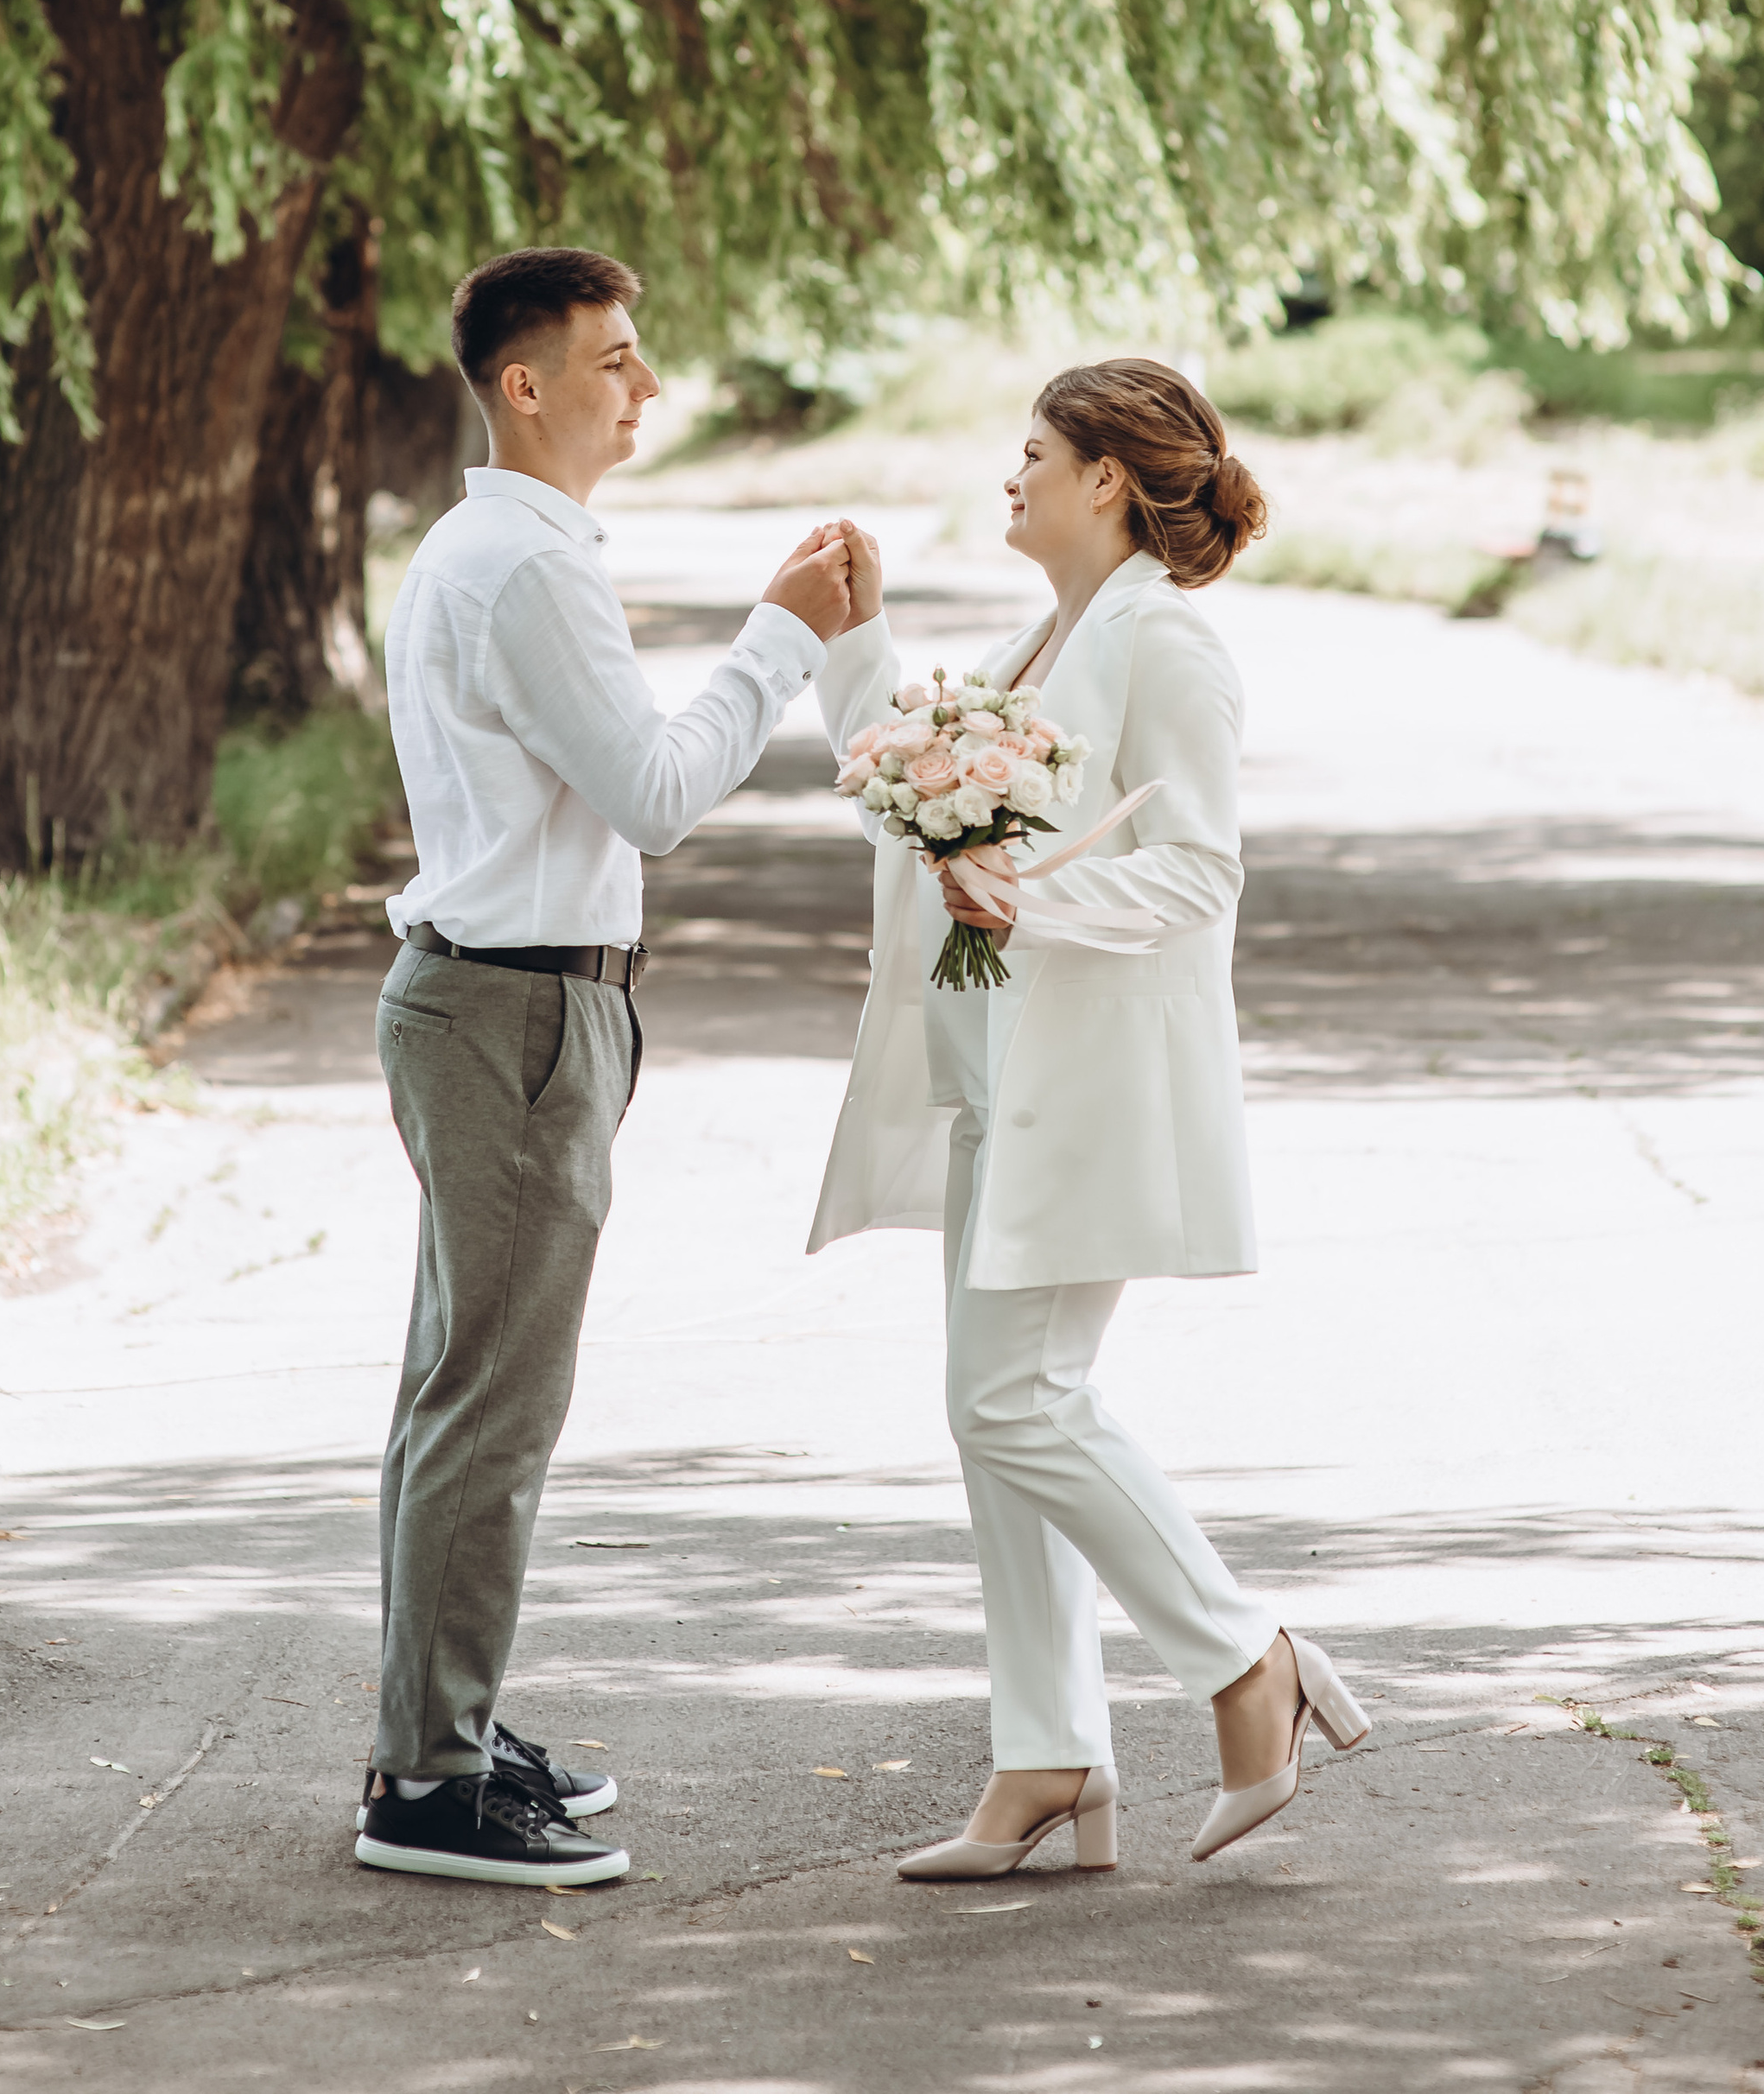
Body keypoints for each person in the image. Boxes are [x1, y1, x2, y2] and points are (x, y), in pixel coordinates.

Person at [809, 356, 1369, 1881]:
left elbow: (1200, 869)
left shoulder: (1166, 644)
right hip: (1001, 1079)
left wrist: (1032, 904)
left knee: (1011, 1400)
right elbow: (906, 788)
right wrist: (853, 644)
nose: (1016, 473)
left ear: (1108, 478)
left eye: (1038, 450)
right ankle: (1045, 1763)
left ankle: (1249, 1659)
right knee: (1000, 1426)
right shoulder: (1041, 636)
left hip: (1095, 1091)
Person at [357, 244, 853, 1888]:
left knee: (462, 1392)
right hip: (511, 1013)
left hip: (504, 1003)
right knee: (494, 1405)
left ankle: (442, 1728)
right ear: (526, 383)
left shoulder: (496, 543)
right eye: (618, 359)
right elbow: (652, 789)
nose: (646, 387)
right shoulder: (523, 565)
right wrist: (779, 640)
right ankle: (427, 1788)